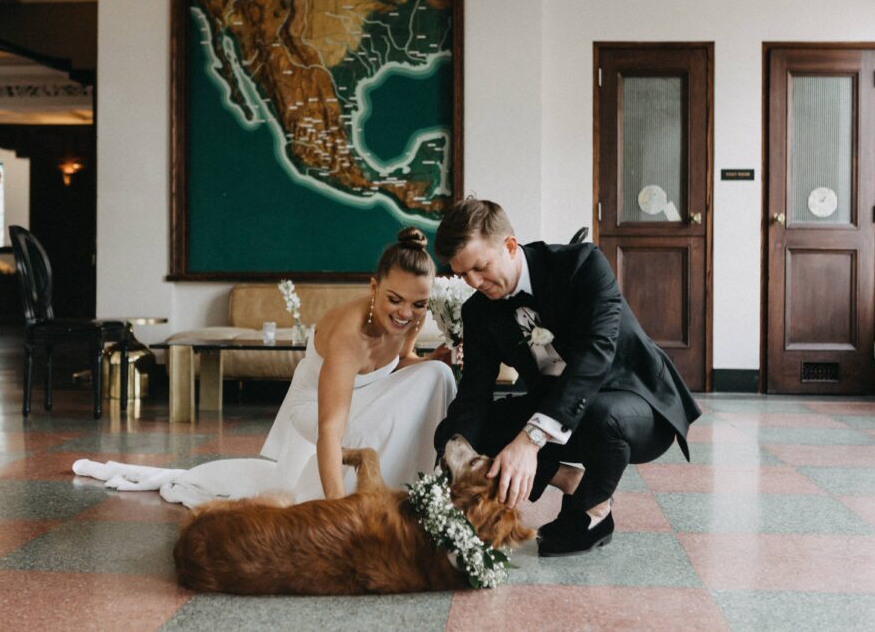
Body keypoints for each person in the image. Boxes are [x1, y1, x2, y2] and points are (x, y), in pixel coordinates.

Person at [74, 228, 455, 506]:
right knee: (358, 430)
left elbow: (403, 361)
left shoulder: (413, 316)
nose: (406, 313)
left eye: (418, 304)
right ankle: (354, 500)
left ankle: (416, 490)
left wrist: (429, 361)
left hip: (363, 396)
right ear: (374, 287)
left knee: (438, 376)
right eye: (395, 299)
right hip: (313, 410)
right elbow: (329, 429)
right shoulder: (347, 334)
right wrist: (336, 510)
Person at [432, 197, 701, 557]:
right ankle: (570, 479)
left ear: (510, 245)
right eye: (463, 274)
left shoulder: (582, 264)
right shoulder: (478, 312)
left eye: (480, 267)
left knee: (601, 414)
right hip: (560, 411)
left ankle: (593, 509)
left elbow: (595, 357)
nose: (474, 282)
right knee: (463, 433)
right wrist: (450, 461)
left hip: (636, 403)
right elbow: (474, 394)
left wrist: (530, 440)